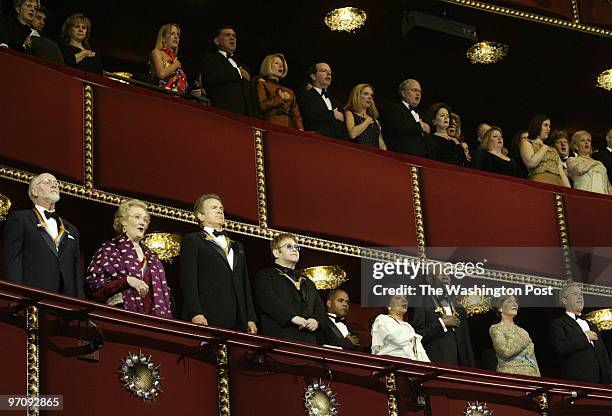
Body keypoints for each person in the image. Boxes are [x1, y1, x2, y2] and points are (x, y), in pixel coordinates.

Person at [179, 193, 257, 333]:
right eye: (214, 208)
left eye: (221, 208)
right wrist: (195, 312)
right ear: (200, 216)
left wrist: (250, 317)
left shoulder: (237, 245)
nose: (220, 210)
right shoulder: (193, 240)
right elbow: (188, 280)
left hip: (238, 319)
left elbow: (245, 283)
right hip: (208, 315)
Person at [85, 199, 173, 317]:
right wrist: (126, 281)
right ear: (123, 222)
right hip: (120, 318)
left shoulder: (153, 257)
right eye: (137, 217)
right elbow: (93, 287)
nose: (142, 222)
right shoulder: (109, 249)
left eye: (145, 219)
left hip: (152, 322)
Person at [3, 173, 84, 298]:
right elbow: (12, 260)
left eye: (56, 183)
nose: (54, 184)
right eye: (47, 182)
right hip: (33, 298)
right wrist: (16, 296)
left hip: (66, 303)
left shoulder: (71, 229)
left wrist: (80, 305)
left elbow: (77, 270)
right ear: (34, 191)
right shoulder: (20, 219)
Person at [255, 233, 324, 343]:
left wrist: (316, 320)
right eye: (289, 246)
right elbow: (267, 300)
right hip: (279, 339)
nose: (294, 250)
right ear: (276, 253)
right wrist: (292, 317)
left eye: (296, 247)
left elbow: (319, 307)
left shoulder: (309, 282)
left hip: (308, 342)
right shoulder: (265, 275)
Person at [549, 282, 612, 384]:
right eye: (575, 294)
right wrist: (585, 337)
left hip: (601, 384)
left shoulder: (592, 325)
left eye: (581, 294)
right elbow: (560, 348)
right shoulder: (558, 323)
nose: (580, 297)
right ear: (564, 300)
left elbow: (603, 354)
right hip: (578, 382)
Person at [412, 273, 475, 367]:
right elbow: (417, 335)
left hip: (461, 368)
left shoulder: (459, 307)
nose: (446, 277)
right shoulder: (421, 301)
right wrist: (441, 324)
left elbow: (466, 341)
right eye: (440, 273)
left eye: (448, 275)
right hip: (436, 365)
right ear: (429, 279)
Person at [199, 26, 256, 116]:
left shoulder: (243, 66)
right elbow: (210, 76)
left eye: (234, 36)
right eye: (227, 35)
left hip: (245, 118)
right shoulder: (209, 58)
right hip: (222, 113)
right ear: (217, 41)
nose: (232, 38)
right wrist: (238, 72)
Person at [381, 79, 435, 158]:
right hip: (401, 158)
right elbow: (398, 126)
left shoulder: (423, 115)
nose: (418, 94)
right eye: (414, 90)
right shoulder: (394, 108)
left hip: (423, 160)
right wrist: (420, 126)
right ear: (403, 93)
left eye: (420, 92)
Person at [489, 295, 540, 377]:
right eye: (509, 301)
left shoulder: (523, 331)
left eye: (516, 302)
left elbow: (532, 359)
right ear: (500, 308)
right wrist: (523, 341)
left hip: (531, 376)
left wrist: (538, 378)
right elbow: (505, 352)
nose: (515, 304)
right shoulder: (496, 328)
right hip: (510, 374)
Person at [296, 62, 347, 140]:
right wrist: (332, 114)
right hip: (316, 142)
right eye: (323, 71)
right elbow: (308, 113)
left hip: (337, 146)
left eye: (330, 72)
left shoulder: (337, 102)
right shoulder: (305, 95)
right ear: (313, 76)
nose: (328, 74)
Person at [371, 295, 430, 361]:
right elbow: (397, 338)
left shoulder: (408, 326)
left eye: (405, 298)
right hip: (390, 365)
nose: (404, 300)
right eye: (398, 298)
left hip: (409, 367)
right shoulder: (382, 319)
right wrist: (413, 336)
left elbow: (419, 353)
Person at [520, 114, 570, 187]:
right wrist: (544, 147)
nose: (549, 129)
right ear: (537, 125)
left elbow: (562, 174)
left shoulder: (553, 150)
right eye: (546, 125)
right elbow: (531, 163)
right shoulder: (527, 143)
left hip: (558, 186)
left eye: (549, 126)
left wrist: (569, 191)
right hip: (539, 184)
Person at [255, 53, 303, 130]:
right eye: (276, 63)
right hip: (272, 126)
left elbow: (296, 115)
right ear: (268, 65)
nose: (281, 66)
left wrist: (300, 130)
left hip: (290, 128)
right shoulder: (262, 83)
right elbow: (262, 107)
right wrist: (280, 98)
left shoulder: (289, 91)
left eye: (282, 65)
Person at [567, 130, 612, 195]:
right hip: (584, 196)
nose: (586, 142)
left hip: (602, 198)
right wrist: (594, 163)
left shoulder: (599, 164)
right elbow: (579, 169)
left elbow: (608, 186)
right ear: (576, 146)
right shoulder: (572, 160)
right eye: (582, 140)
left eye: (589, 140)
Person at [344, 83, 386, 149]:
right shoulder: (350, 113)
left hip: (374, 156)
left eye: (371, 95)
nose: (370, 97)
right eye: (366, 94)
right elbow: (352, 134)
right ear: (357, 96)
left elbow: (381, 143)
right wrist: (368, 120)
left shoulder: (375, 121)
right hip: (358, 154)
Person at [149, 23, 187, 94]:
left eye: (178, 35)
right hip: (161, 97)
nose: (176, 37)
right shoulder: (157, 53)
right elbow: (161, 74)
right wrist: (175, 66)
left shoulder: (175, 59)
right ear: (163, 38)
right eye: (172, 33)